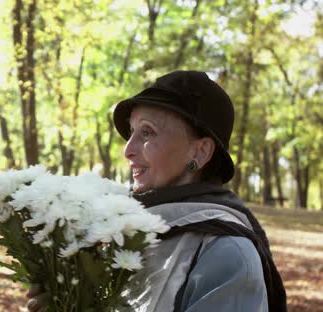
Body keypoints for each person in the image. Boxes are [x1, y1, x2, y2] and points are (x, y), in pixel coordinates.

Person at [27, 71, 286, 312]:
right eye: (131, 132)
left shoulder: (227, 254)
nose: (128, 149)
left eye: (147, 132)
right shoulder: (124, 232)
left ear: (199, 152)